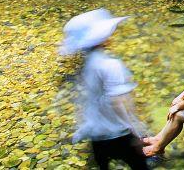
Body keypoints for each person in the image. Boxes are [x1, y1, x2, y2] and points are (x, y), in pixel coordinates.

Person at [60, 9, 148, 170]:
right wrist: (135, 130)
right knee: (140, 166)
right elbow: (118, 101)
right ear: (103, 38)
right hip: (117, 133)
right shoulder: (110, 65)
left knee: (102, 165)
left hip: (96, 134)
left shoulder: (88, 63)